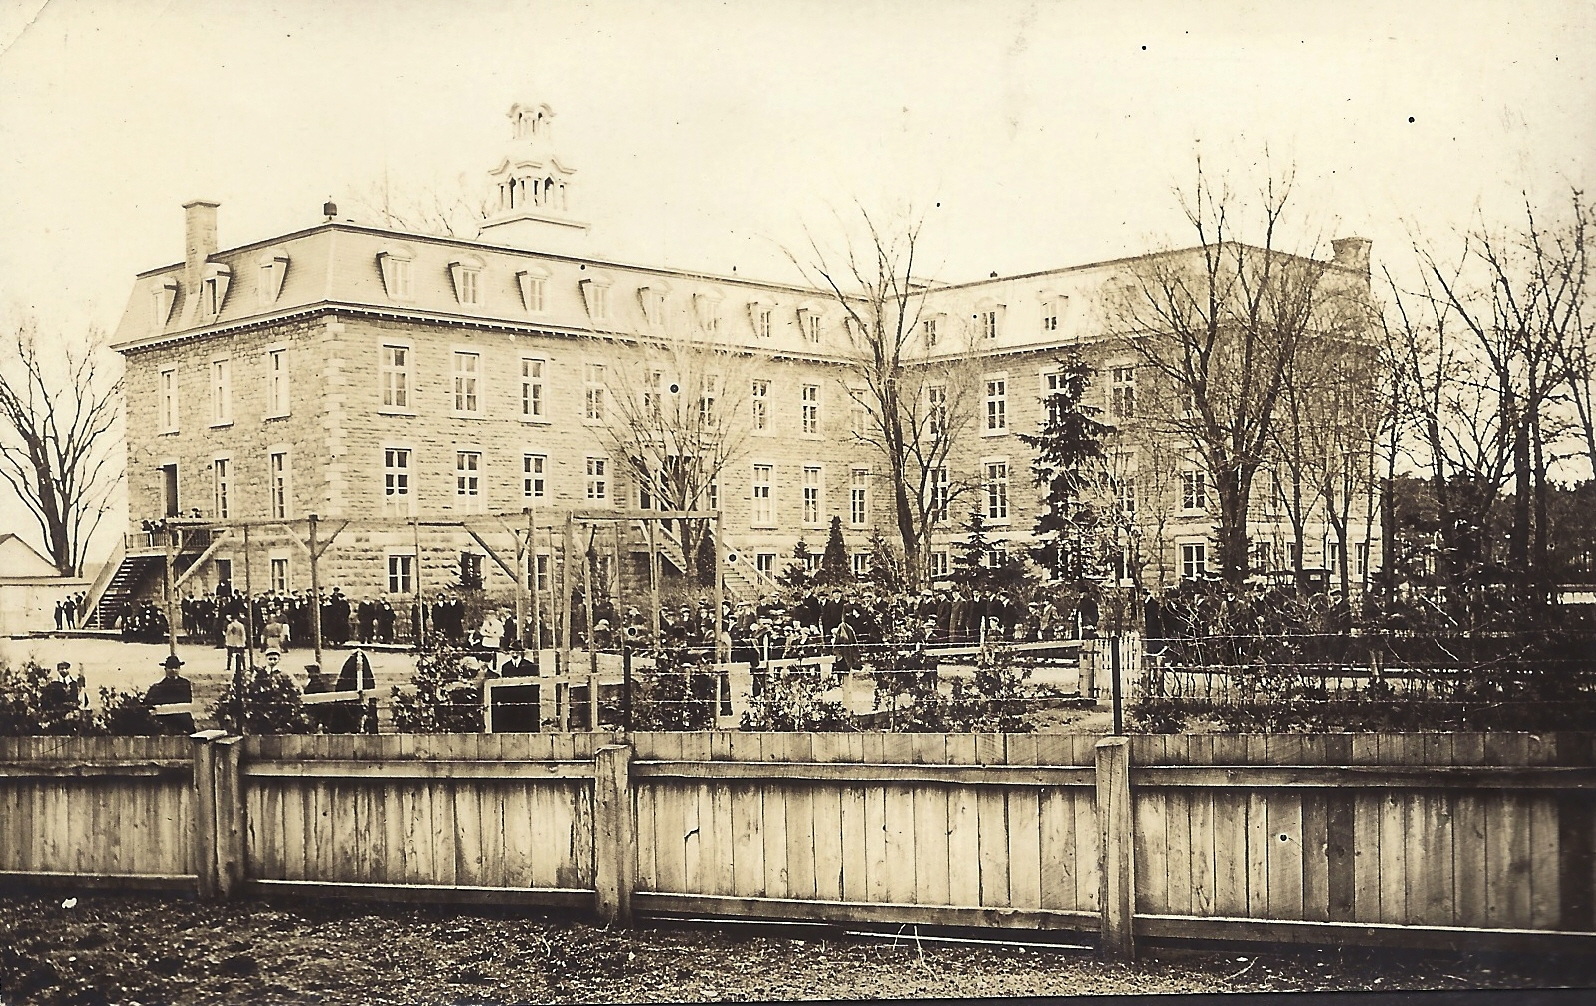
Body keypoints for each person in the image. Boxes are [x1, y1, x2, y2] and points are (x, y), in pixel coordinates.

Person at [145, 655, 195, 734]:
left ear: (179, 669)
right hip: (166, 719)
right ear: (165, 669)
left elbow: (187, 700)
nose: (173, 670)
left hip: (183, 718)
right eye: (170, 668)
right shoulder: (159, 686)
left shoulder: (185, 683)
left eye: (176, 667)